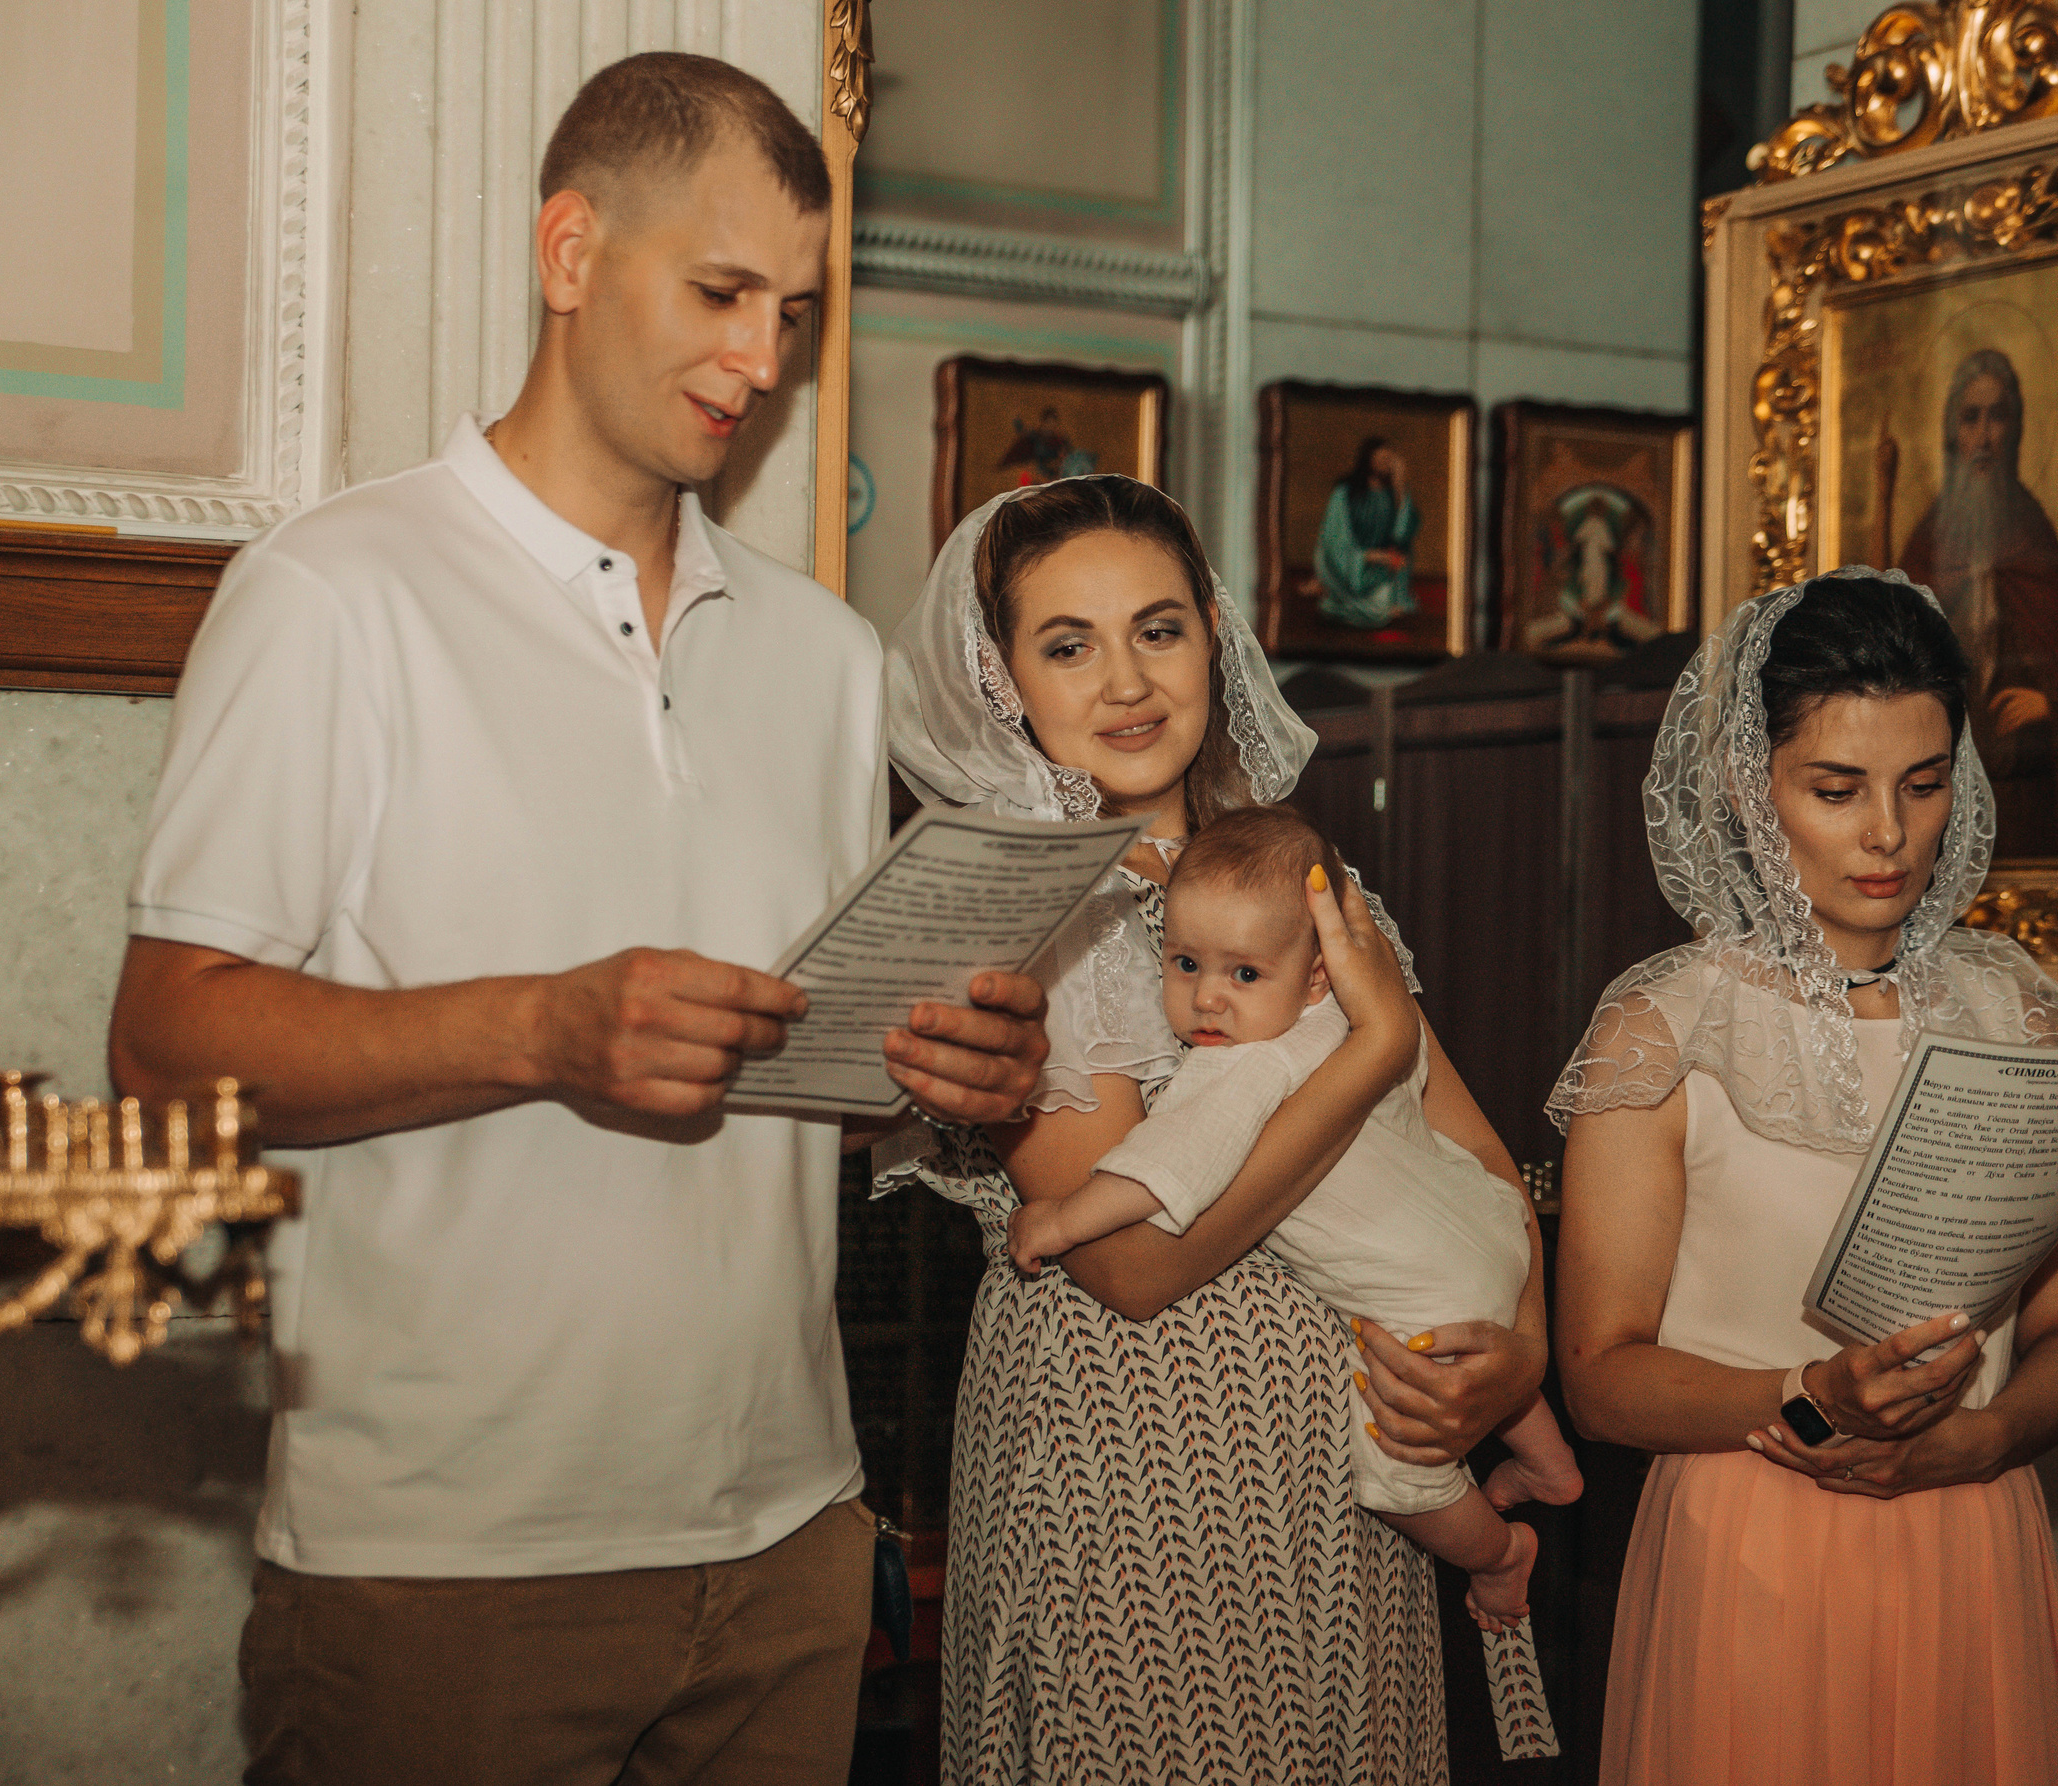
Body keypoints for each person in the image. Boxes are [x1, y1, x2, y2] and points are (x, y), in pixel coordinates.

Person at [106, 54, 1047, 1786]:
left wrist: (941, 1077)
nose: (763, 364)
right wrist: (540, 1027)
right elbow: (166, 1052)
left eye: (795, 313)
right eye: (720, 293)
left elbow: (807, 1093)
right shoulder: (333, 593)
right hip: (445, 1562)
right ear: (567, 249)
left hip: (786, 1542)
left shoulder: (827, 662)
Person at [883, 474, 1557, 1778]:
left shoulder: (1293, 880)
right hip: (1119, 1489)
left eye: (1159, 627)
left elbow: (1470, 1156)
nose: (1126, 680)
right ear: (1000, 677)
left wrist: (1517, 1357)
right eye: (1067, 644)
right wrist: (1360, 1062)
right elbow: (1136, 1268)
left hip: (1344, 1481)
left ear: (1212, 633)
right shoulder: (1012, 918)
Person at [1549, 568, 2058, 1785]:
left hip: (1973, 1527)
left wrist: (1988, 1438)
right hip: (1751, 1538)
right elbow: (1600, 1377)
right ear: (1756, 791)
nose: (1886, 833)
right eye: (1836, 788)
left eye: (1921, 784)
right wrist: (1814, 1392)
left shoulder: (2014, 1011)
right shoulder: (1664, 1027)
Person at [1004, 804, 1583, 1637]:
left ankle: (1498, 1558)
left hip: (1416, 1301)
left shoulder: (1236, 1069)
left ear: (1311, 973)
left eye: (1242, 976)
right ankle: (1549, 1463)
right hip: (1489, 1233)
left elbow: (1161, 1171)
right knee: (1470, 1319)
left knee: (1399, 1477)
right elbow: (1458, 1120)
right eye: (1186, 963)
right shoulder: (1353, 1011)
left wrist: (1057, 1221)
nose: (1208, 997)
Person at [1892, 347, 2058, 855]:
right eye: (1971, 418)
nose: (1985, 436)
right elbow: (1890, 665)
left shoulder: (2033, 533)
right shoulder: (1929, 541)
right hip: (1938, 794)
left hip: (2025, 795)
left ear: (2016, 429)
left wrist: (2051, 704)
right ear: (1953, 432)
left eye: (1998, 417)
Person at [1313, 437, 1421, 629]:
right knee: (1375, 609)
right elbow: (1334, 541)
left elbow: (1401, 535)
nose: (1386, 465)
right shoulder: (1344, 493)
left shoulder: (1395, 494)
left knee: (1383, 604)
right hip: (1349, 565)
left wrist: (1400, 487)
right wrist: (1370, 556)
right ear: (1368, 461)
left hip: (1380, 569)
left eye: (1390, 461)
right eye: (1381, 459)